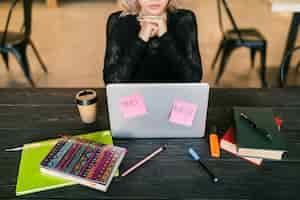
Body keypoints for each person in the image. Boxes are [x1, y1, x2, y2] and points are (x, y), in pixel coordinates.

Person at [103, 0, 203, 84]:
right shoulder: (118, 21)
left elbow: (194, 78)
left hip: (176, 103)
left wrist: (165, 36)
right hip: (132, 103)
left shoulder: (185, 19)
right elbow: (112, 80)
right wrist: (141, 39)